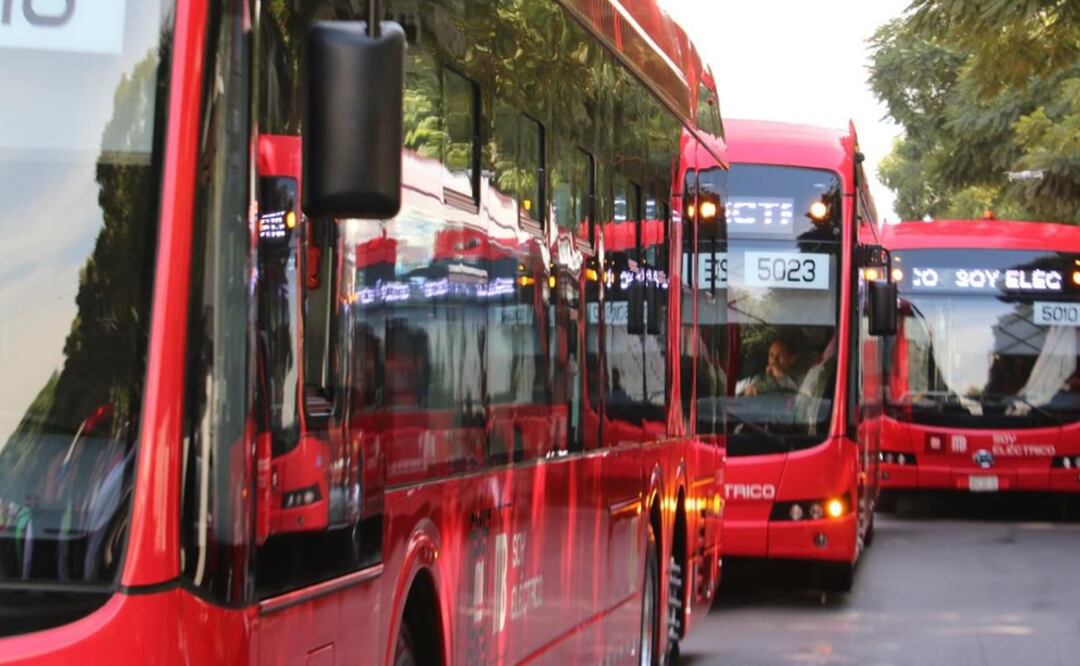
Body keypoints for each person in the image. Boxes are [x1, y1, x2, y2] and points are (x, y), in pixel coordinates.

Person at [740, 338, 805, 397]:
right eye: (771, 355)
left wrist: (782, 378)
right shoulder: (760, 379)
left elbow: (802, 398)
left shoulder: (803, 379)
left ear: (792, 359)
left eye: (780, 356)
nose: (774, 360)